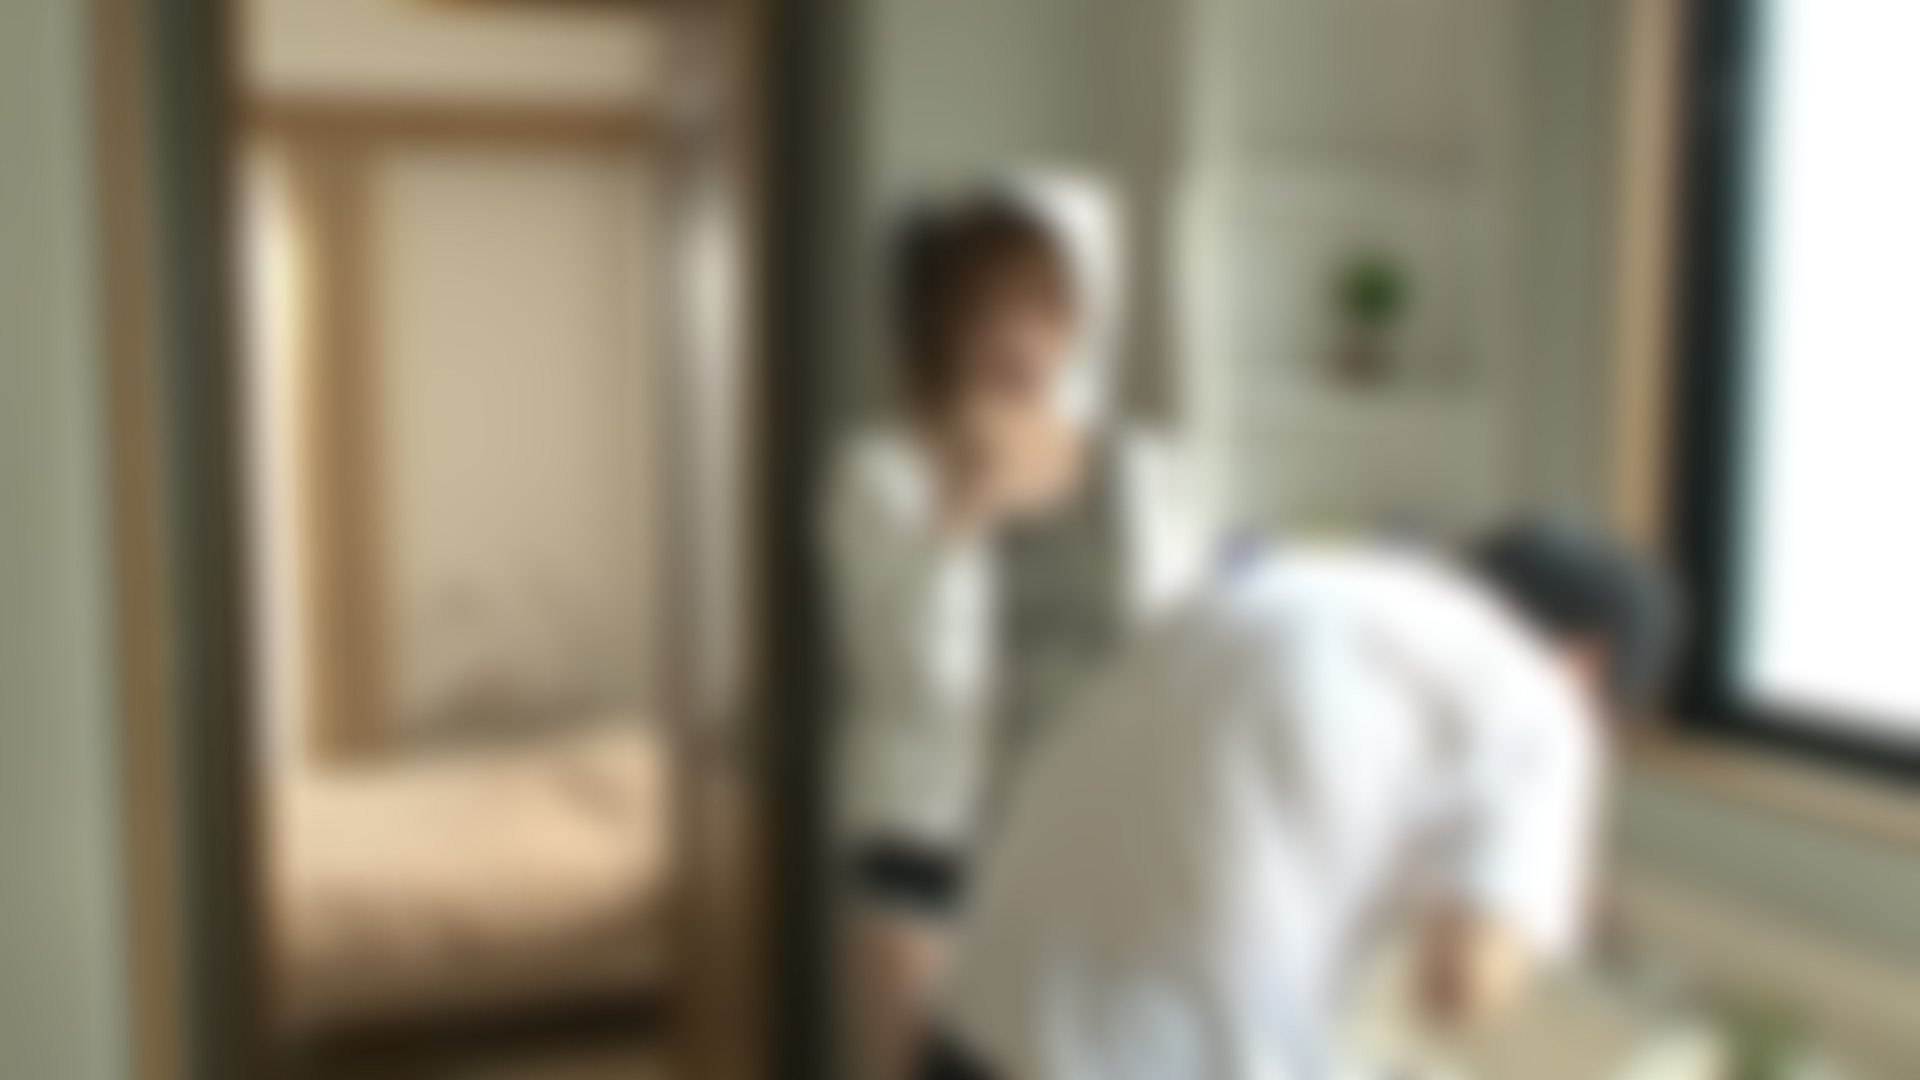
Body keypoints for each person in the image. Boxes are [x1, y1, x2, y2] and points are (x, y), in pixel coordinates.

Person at [920, 519, 1679, 1080]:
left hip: (978, 1014)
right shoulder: (1538, 701)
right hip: (1141, 1051)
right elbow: (1463, 989)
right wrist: (1536, 912)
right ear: (1591, 661)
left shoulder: (1286, 586)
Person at [822, 176, 1211, 1079]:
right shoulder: (882, 475)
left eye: (1040, 309)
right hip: (932, 848)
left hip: (1099, 849)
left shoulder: (1148, 471)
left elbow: (1180, 659)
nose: (1018, 337)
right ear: (943, 329)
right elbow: (926, 681)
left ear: (1072, 322)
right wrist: (966, 505)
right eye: (986, 313)